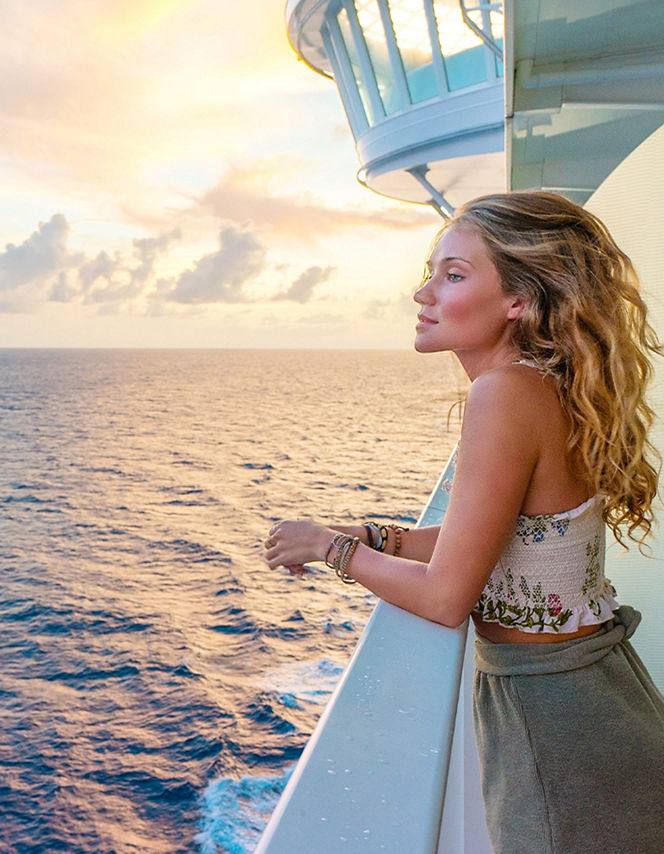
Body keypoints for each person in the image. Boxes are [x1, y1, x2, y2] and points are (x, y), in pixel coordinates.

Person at [262, 191, 664, 853]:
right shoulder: (541, 385)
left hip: (558, 718)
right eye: (431, 272)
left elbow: (447, 597)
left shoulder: (503, 392)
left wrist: (327, 547)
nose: (422, 294)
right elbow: (503, 537)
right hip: (592, 692)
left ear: (518, 300)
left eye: (452, 275)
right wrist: (379, 537)